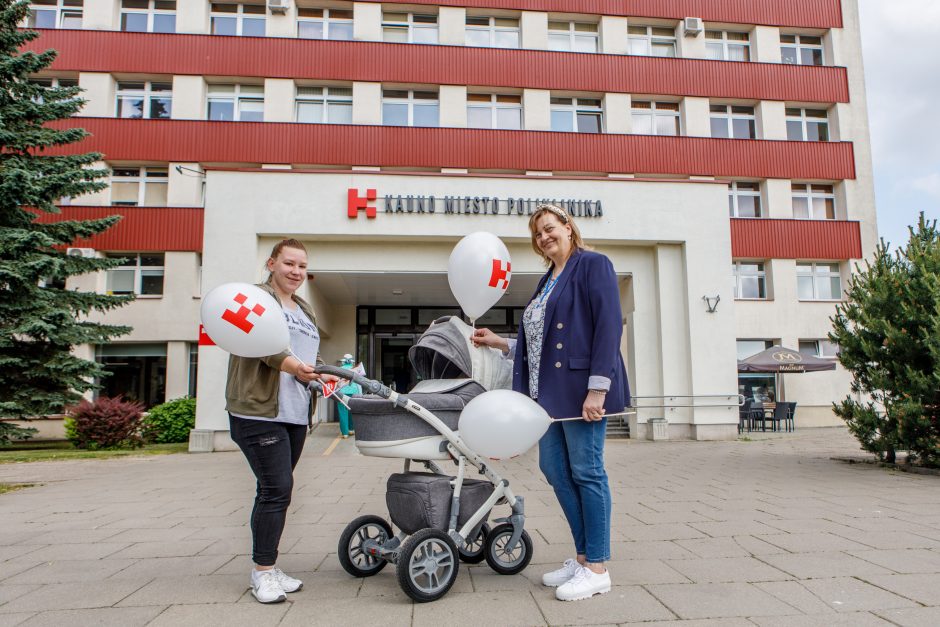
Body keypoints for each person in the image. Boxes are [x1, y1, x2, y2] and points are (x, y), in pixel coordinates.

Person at [472, 204, 630, 602]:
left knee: (587, 471)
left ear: (567, 227)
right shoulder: (547, 281)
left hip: (579, 392)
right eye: (538, 234)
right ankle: (581, 557)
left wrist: (598, 388)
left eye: (549, 228)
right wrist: (501, 342)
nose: (544, 237)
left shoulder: (593, 265)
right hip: (547, 396)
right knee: (554, 469)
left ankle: (597, 568)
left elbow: (609, 326)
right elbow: (538, 343)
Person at [225, 238, 338, 604]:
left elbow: (307, 353)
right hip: (258, 411)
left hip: (292, 413)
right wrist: (296, 368)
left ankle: (269, 568)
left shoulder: (304, 308)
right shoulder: (256, 299)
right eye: (289, 263)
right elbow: (262, 346)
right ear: (271, 263)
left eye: (302, 266)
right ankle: (261, 573)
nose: (296, 272)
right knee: (276, 489)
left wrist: (324, 373)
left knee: (278, 491)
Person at [336, 353, 362, 438]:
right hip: (354, 393)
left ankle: (345, 433)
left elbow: (336, 382)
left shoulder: (339, 369)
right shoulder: (355, 370)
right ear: (352, 362)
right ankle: (351, 429)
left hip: (341, 393)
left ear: (343, 361)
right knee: (352, 411)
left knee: (343, 412)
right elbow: (359, 383)